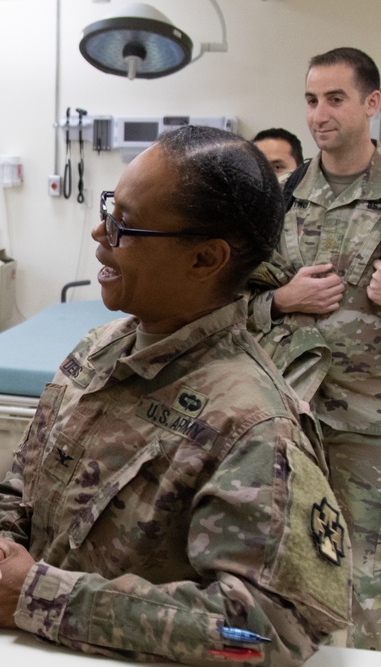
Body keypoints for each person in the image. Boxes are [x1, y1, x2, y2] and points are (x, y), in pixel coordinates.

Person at [0, 125, 352, 666]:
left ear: (205, 259)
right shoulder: (96, 352)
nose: (99, 234)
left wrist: (38, 597)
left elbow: (265, 631)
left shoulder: (253, 425)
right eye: (111, 209)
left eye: (125, 226)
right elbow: (19, 490)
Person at [247, 46, 381, 650]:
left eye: (335, 99)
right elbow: (230, 301)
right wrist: (282, 299)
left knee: (366, 582)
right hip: (290, 417)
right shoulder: (279, 198)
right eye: (310, 100)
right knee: (290, 567)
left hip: (365, 426)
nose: (318, 114)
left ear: (372, 104)